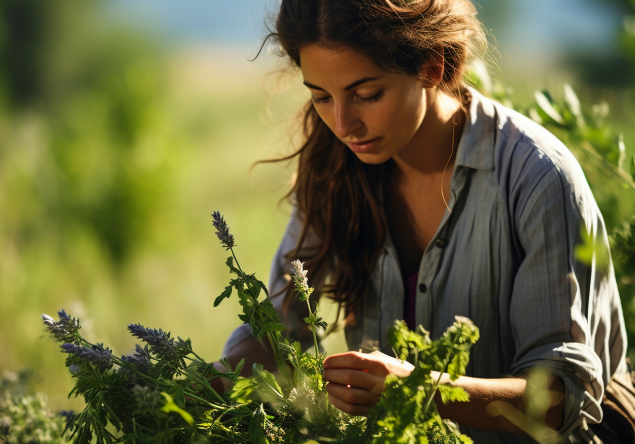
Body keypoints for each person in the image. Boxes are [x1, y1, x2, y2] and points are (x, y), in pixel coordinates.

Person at [219, 0, 631, 442]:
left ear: (432, 69)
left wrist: (419, 389)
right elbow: (279, 333)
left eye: (367, 95)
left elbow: (563, 395)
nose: (342, 124)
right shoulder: (333, 170)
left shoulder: (537, 177)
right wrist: (206, 380)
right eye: (321, 96)